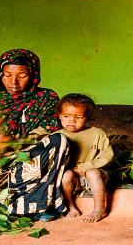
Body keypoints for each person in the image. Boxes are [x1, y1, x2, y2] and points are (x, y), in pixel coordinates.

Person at [0, 49, 69, 221]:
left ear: (33, 74)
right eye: (7, 75)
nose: (13, 82)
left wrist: (15, 142)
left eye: (22, 76)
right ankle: (0, 199)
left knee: (60, 140)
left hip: (26, 156)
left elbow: (48, 129)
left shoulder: (46, 97)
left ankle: (35, 204)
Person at [56, 93, 114, 223]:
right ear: (60, 116)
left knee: (92, 173)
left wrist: (86, 166)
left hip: (95, 175)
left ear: (87, 117)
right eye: (66, 116)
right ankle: (70, 206)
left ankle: (100, 208)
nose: (72, 121)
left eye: (79, 117)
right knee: (66, 175)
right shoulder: (57, 137)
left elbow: (107, 155)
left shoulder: (97, 133)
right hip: (73, 178)